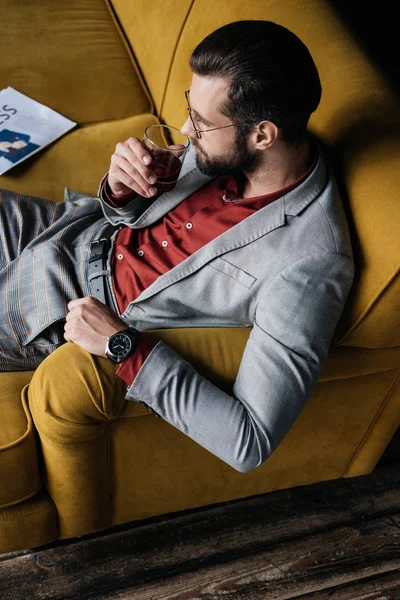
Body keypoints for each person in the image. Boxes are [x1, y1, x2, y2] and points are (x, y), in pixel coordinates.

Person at [0, 21, 354, 472]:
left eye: (202, 123)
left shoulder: (311, 263)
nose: (186, 128)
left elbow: (248, 441)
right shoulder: (234, 150)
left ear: (263, 134)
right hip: (69, 227)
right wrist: (122, 188)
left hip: (68, 304)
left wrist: (123, 346)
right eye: (191, 106)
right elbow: (133, 215)